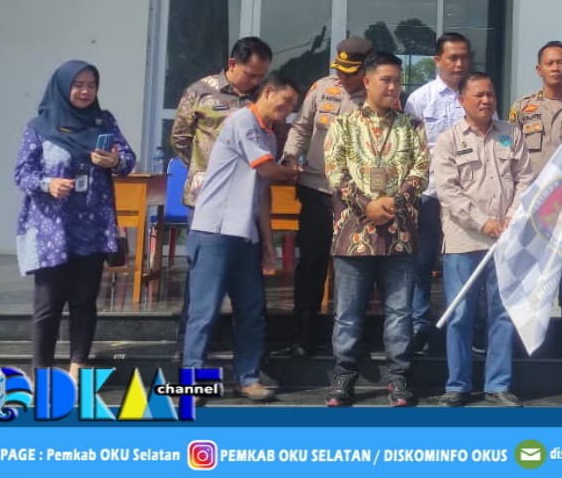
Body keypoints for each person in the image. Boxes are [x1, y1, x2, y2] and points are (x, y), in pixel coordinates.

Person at [14, 61, 137, 381]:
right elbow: (22, 173)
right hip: (52, 229)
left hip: (92, 227)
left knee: (84, 301)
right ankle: (41, 373)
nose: (85, 91)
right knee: (48, 305)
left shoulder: (103, 122)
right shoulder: (39, 127)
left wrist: (114, 160)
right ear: (62, 87)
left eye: (91, 86)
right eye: (78, 85)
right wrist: (48, 184)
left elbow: (127, 161)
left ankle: (77, 368)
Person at [181, 73, 300, 402]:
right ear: (269, 92)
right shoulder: (243, 120)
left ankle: (248, 378)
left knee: (251, 310)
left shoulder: (269, 135)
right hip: (214, 230)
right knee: (204, 311)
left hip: (246, 234)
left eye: (292, 106)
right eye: (285, 102)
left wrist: (268, 242)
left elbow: (262, 192)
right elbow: (267, 170)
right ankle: (192, 381)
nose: (287, 111)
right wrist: (292, 171)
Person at [324, 51, 430, 407]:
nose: (393, 87)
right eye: (386, 80)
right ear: (367, 81)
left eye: (397, 80)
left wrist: (393, 203)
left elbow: (421, 171)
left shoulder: (412, 126)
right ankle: (343, 376)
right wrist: (366, 205)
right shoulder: (343, 124)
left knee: (400, 313)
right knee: (348, 314)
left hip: (400, 234)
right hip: (353, 234)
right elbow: (335, 172)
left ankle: (399, 377)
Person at [169, 37, 273, 358]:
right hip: (205, 200)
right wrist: (207, 171)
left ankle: (248, 359)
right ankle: (188, 348)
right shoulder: (201, 91)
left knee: (246, 283)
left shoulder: (261, 99)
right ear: (232, 65)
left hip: (245, 201)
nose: (255, 81)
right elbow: (180, 138)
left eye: (261, 76)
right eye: (250, 74)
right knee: (201, 279)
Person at [435, 73, 533, 407]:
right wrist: (484, 222)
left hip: (504, 240)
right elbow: (448, 192)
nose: (486, 100)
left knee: (502, 313)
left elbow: (525, 179)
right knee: (460, 313)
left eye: (490, 94)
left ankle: (498, 384)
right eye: (478, 95)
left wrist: (512, 217)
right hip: (463, 241)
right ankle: (457, 385)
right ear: (461, 100)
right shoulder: (448, 140)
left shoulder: (511, 134)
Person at [281, 37, 372, 355]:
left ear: (366, 70)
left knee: (355, 266)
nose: (342, 77)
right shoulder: (322, 88)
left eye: (350, 72)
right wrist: (290, 157)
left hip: (357, 196)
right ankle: (303, 333)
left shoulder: (376, 96)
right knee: (312, 262)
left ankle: (350, 337)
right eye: (340, 70)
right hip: (317, 188)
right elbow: (301, 128)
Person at [508, 40, 562, 353]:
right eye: (550, 63)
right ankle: (524, 334)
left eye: (561, 62)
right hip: (532, 204)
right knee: (528, 269)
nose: (556, 68)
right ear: (538, 69)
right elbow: (508, 154)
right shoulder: (522, 108)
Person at [404, 32, 471, 354]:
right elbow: (408, 148)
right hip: (429, 193)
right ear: (437, 60)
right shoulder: (420, 99)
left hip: (468, 197)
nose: (459, 64)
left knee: (461, 263)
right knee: (422, 261)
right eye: (452, 57)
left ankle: (462, 325)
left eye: (464, 57)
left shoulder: (477, 96)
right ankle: (420, 326)